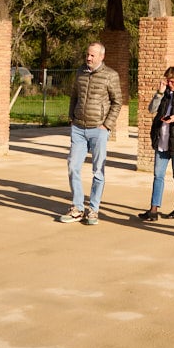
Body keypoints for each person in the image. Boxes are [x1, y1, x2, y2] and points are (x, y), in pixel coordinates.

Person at [59, 42, 122, 226]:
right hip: (78, 128)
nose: (88, 58)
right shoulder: (80, 72)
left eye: (93, 55)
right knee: (73, 166)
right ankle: (77, 207)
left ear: (102, 57)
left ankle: (93, 209)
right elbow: (74, 96)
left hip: (98, 129)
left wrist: (106, 125)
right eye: (87, 54)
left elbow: (117, 102)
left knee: (98, 171)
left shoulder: (111, 75)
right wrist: (72, 117)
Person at [138, 66, 174, 222]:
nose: (170, 84)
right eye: (168, 81)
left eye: (172, 81)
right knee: (158, 175)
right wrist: (159, 93)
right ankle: (153, 209)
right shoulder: (164, 95)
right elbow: (151, 109)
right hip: (162, 141)